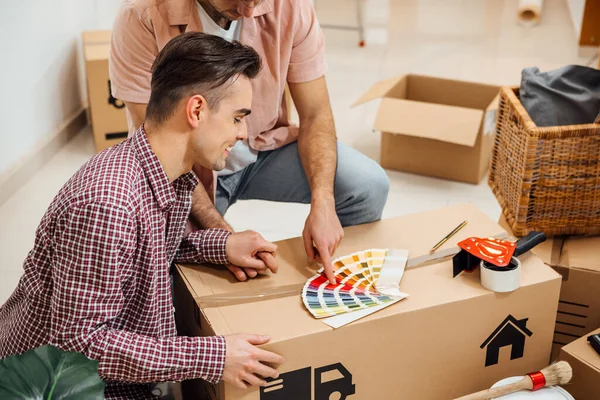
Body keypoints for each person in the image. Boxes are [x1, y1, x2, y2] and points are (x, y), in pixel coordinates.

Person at [0, 32, 284, 399]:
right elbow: (77, 345)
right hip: (53, 386)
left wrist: (222, 244)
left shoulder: (164, 172)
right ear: (196, 110)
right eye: (237, 118)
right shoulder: (108, 204)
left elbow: (143, 256)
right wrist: (213, 356)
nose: (243, 133)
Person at [110, 0, 390, 284]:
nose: (248, 10)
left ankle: (341, 283)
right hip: (186, 170)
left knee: (367, 186)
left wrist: (324, 202)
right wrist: (223, 238)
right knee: (163, 268)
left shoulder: (290, 5)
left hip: (264, 150)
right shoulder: (141, 15)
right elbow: (161, 141)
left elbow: (316, 114)